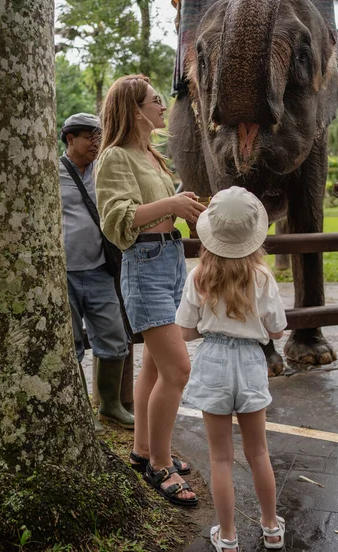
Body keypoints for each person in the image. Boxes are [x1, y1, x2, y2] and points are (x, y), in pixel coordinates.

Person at [95, 75, 207, 506]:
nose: (163, 106)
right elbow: (117, 219)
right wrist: (171, 205)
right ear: (135, 109)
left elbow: (158, 211)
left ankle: (143, 451)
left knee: (156, 370)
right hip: (142, 265)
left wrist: (184, 204)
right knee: (178, 370)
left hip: (169, 259)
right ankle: (161, 464)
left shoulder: (152, 155)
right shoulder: (115, 157)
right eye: (155, 100)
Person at [175, 186, 287, 550]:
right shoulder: (263, 277)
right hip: (252, 362)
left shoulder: (199, 277)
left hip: (214, 362)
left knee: (220, 457)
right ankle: (271, 527)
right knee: (259, 452)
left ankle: (227, 536)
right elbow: (277, 330)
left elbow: (187, 331)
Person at [59, 112, 134, 431]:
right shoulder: (49, 172)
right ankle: (79, 412)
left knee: (116, 338)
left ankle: (110, 405)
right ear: (69, 139)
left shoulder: (104, 170)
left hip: (101, 269)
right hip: (62, 275)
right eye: (88, 136)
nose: (95, 142)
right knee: (71, 344)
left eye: (98, 136)